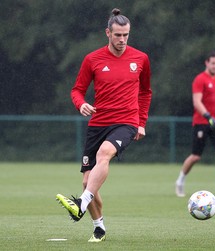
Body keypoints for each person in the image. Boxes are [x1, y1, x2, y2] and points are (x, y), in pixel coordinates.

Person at [56, 8, 152, 242]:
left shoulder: (141, 59)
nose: (122, 40)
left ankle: (80, 203)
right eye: (118, 35)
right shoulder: (92, 59)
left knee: (104, 153)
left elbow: (146, 92)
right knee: (88, 181)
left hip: (126, 122)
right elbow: (77, 90)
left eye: (126, 35)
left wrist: (141, 122)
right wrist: (81, 105)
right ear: (107, 33)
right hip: (98, 124)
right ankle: (99, 227)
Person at [175, 51, 215, 199]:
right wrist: (209, 117)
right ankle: (180, 181)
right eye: (213, 63)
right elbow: (197, 102)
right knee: (196, 156)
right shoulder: (200, 79)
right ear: (207, 63)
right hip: (202, 122)